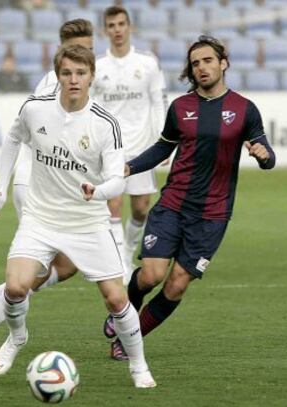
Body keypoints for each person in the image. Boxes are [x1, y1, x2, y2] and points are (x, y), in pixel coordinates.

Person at [0, 44, 156, 388]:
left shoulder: (104, 124)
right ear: (58, 76)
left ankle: (139, 366)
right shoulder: (36, 110)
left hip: (87, 222)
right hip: (40, 218)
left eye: (81, 73)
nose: (74, 80)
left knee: (116, 298)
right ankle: (17, 338)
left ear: (92, 76)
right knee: (16, 286)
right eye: (67, 73)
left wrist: (98, 192)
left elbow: (115, 179)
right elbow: (12, 139)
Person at [103, 35, 276, 360]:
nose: (202, 67)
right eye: (195, 63)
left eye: (208, 60)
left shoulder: (244, 109)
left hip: (212, 215)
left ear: (223, 63)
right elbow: (163, 147)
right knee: (152, 275)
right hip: (173, 205)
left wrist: (263, 154)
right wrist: (128, 168)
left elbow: (269, 157)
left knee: (176, 285)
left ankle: (131, 339)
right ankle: (122, 314)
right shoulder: (181, 107)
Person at [0, 19, 94, 353]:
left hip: (49, 184)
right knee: (41, 265)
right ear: (65, 51)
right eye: (83, 49)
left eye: (91, 49)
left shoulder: (77, 82)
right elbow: (18, 135)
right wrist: (0, 189)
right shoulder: (57, 87)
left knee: (66, 265)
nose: (91, 56)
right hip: (38, 184)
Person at [92, 6, 167, 281]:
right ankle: (118, 263)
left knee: (140, 208)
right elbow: (91, 106)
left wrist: (164, 140)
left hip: (143, 147)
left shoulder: (147, 63)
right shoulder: (98, 66)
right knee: (113, 205)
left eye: (121, 24)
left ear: (130, 27)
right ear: (105, 30)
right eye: (111, 25)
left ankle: (128, 249)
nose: (117, 29)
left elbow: (158, 101)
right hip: (110, 148)